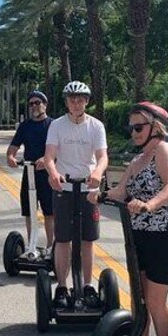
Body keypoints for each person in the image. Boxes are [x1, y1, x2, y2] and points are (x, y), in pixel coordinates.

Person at [88, 102, 168, 336]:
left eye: (138, 127)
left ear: (155, 127)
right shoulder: (137, 159)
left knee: (155, 299)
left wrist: (151, 204)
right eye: (131, 127)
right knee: (139, 298)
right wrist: (100, 194)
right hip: (139, 233)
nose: (133, 132)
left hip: (167, 234)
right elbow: (122, 190)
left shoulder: (164, 151)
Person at [43, 81, 108, 309]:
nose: (76, 102)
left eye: (80, 99)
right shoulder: (57, 126)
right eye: (72, 99)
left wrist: (98, 173)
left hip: (88, 189)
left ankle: (88, 286)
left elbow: (102, 156)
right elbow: (49, 156)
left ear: (87, 101)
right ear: (67, 101)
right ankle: (61, 286)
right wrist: (53, 173)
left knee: (87, 241)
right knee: (63, 240)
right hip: (64, 188)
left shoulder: (96, 126)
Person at [6, 90, 55, 254]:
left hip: (48, 174)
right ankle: (31, 246)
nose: (34, 106)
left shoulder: (53, 125)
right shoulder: (25, 126)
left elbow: (59, 149)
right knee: (29, 211)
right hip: (29, 172)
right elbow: (14, 146)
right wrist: (11, 156)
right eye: (31, 104)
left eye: (37, 103)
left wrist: (46, 159)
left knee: (50, 212)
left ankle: (51, 247)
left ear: (45, 104)